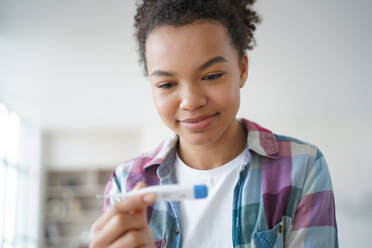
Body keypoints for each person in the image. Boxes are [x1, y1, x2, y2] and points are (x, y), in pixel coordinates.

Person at [90, 0, 338, 247]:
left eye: (211, 76)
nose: (191, 102)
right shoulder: (127, 181)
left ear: (242, 69)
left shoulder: (303, 166)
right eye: (167, 84)